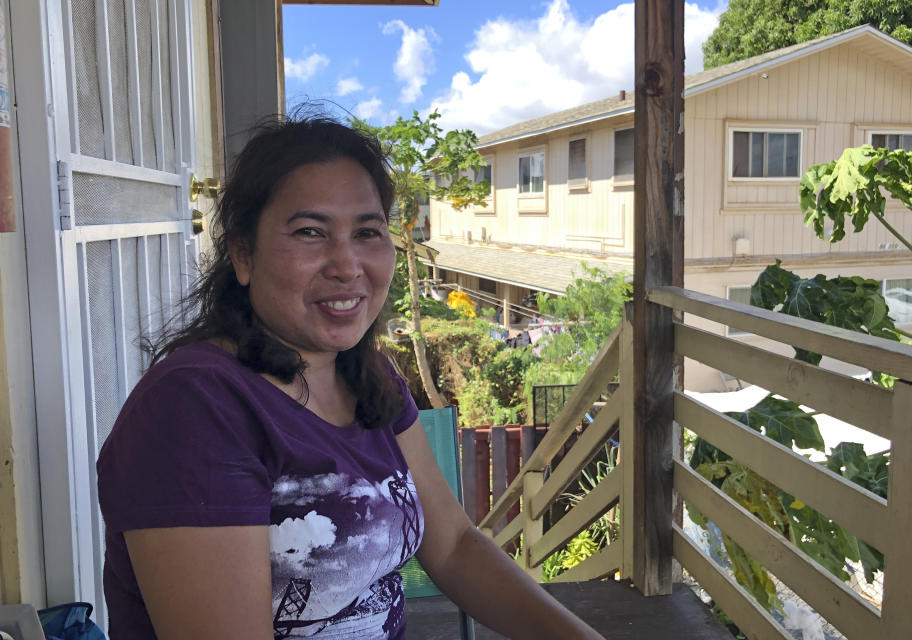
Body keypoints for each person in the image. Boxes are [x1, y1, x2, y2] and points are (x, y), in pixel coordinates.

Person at [97, 112, 605, 640]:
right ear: (243, 255)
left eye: (367, 232)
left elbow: (454, 546)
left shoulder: (369, 376)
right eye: (311, 232)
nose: (347, 264)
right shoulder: (195, 406)